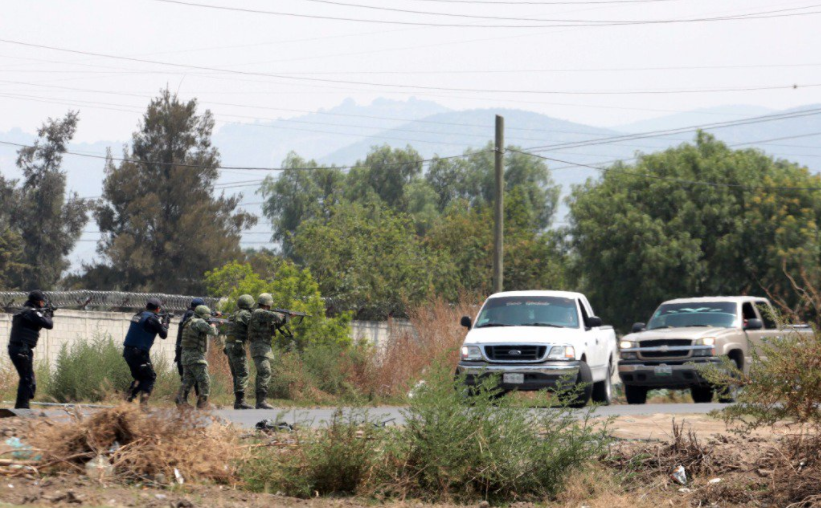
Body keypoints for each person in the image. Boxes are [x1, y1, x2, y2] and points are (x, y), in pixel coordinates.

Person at [7, 290, 54, 409]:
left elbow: (32, 325)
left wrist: (44, 313)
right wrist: (48, 314)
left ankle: (22, 406)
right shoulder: (32, 312)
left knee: (28, 378)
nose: (43, 304)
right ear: (38, 302)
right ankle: (22, 408)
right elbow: (49, 324)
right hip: (22, 350)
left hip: (18, 348)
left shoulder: (23, 311)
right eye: (42, 302)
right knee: (27, 379)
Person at [122, 298, 169, 407]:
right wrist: (165, 322)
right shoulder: (152, 319)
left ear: (146, 306)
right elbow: (164, 334)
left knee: (139, 378)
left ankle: (125, 402)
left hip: (128, 352)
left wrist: (159, 319)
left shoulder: (138, 315)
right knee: (149, 377)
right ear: (157, 309)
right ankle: (143, 406)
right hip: (139, 353)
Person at [246, 293, 285, 410]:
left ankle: (260, 401)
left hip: (263, 346)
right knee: (265, 371)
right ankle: (261, 401)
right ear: (268, 304)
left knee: (263, 372)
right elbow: (276, 317)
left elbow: (277, 322)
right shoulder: (259, 313)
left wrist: (286, 318)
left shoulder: (264, 315)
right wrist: (281, 315)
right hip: (259, 346)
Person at [175, 305, 218, 410]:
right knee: (204, 380)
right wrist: (213, 325)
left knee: (188, 381)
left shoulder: (189, 321)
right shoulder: (199, 322)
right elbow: (213, 332)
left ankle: (181, 400)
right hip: (196, 357)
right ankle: (202, 403)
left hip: (186, 356)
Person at [224, 294, 255, 410]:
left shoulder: (234, 315)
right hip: (237, 347)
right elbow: (253, 328)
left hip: (229, 345)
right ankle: (240, 401)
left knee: (236, 374)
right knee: (243, 373)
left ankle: (238, 400)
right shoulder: (246, 315)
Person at [175, 297, 204, 404]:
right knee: (198, 375)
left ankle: (183, 400)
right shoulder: (190, 315)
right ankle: (199, 401)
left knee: (190, 377)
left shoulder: (188, 314)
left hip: (182, 351)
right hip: (187, 351)